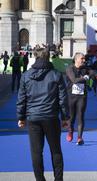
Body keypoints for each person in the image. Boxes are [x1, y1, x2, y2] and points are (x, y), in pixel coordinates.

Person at [17, 47, 70, 181]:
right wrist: (65, 117)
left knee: (36, 152)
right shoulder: (56, 74)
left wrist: (21, 117)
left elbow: (21, 98)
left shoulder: (26, 75)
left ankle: (40, 179)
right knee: (56, 150)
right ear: (48, 58)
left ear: (35, 57)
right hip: (51, 117)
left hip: (33, 117)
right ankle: (58, 179)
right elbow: (63, 99)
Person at [65, 52, 97, 145]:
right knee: (71, 117)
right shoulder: (69, 69)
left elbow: (93, 72)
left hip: (82, 96)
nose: (84, 60)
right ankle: (70, 130)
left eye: (84, 58)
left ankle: (80, 137)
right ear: (76, 59)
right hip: (71, 97)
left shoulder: (85, 69)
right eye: (82, 59)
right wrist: (86, 78)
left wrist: (96, 74)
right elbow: (74, 80)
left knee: (81, 117)